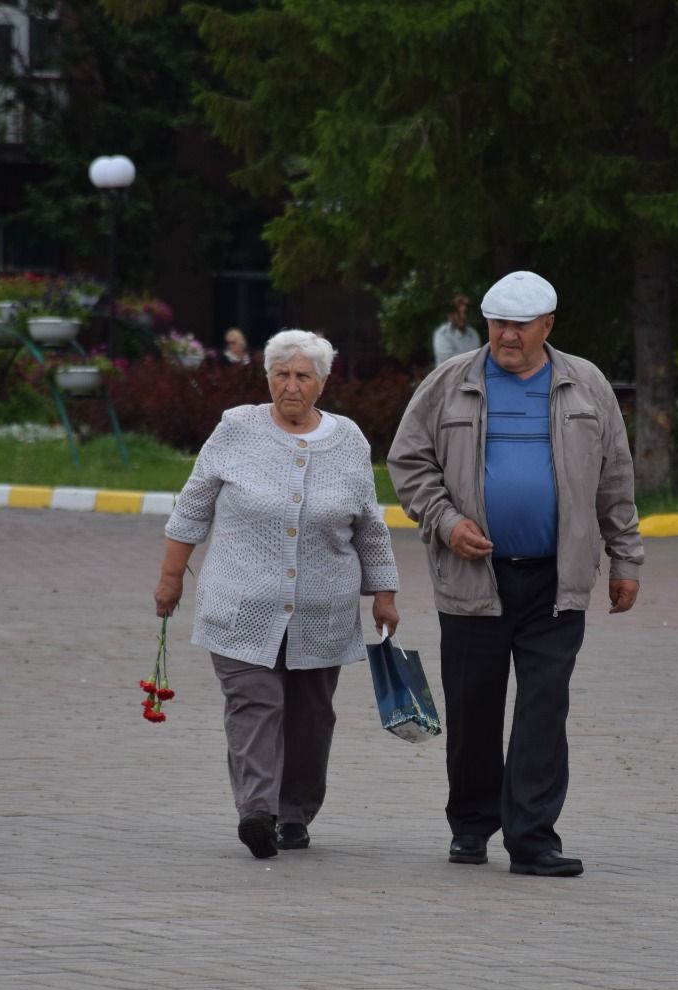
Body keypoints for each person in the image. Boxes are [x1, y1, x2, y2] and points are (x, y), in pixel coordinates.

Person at [389, 270, 643, 877]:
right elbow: (408, 461)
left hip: (557, 581)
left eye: (520, 324)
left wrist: (626, 556)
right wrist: (447, 521)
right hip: (472, 579)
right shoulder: (450, 383)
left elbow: (615, 476)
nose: (507, 335)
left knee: (543, 706)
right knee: (474, 707)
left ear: (547, 326)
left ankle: (532, 839)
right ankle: (473, 825)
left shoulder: (586, 385)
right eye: (498, 322)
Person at [154, 329, 400, 859]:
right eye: (281, 375)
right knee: (255, 702)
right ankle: (257, 812)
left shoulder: (349, 439)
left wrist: (384, 593)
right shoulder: (236, 428)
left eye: (302, 376)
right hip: (240, 605)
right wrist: (172, 577)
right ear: (267, 378)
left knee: (311, 718)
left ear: (323, 382)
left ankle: (295, 813)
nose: (291, 386)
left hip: (322, 611)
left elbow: (370, 527)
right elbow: (194, 505)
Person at [431, 294, 482, 366]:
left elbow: (479, 360)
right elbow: (450, 363)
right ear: (450, 315)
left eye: (465, 312)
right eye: (458, 313)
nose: (463, 316)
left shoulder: (473, 334)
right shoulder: (442, 334)